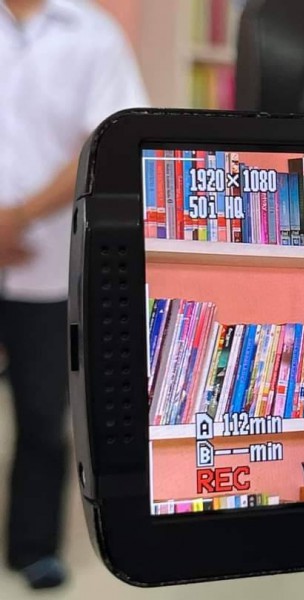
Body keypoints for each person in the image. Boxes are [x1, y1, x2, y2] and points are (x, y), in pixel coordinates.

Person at [1, 0, 148, 588]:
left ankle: (32, 548)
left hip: (46, 266)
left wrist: (16, 220)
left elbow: (105, 140)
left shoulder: (94, 34)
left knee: (43, 415)